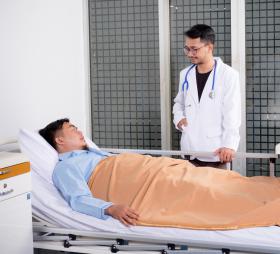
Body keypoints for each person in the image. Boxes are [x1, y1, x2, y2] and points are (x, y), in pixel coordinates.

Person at [39, 119, 280, 230]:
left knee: (211, 179)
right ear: (59, 140)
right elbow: (77, 199)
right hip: (141, 185)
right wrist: (110, 208)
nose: (80, 132)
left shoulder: (94, 153)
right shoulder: (66, 166)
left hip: (152, 171)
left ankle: (265, 193)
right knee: (198, 191)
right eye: (72, 130)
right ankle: (264, 205)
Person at [173, 24, 241, 168]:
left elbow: (232, 113)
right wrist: (178, 118)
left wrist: (230, 144)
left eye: (194, 49)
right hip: (189, 149)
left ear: (209, 47)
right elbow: (179, 103)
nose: (190, 54)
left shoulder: (228, 75)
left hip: (216, 151)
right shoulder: (185, 74)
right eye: (187, 48)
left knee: (216, 190)